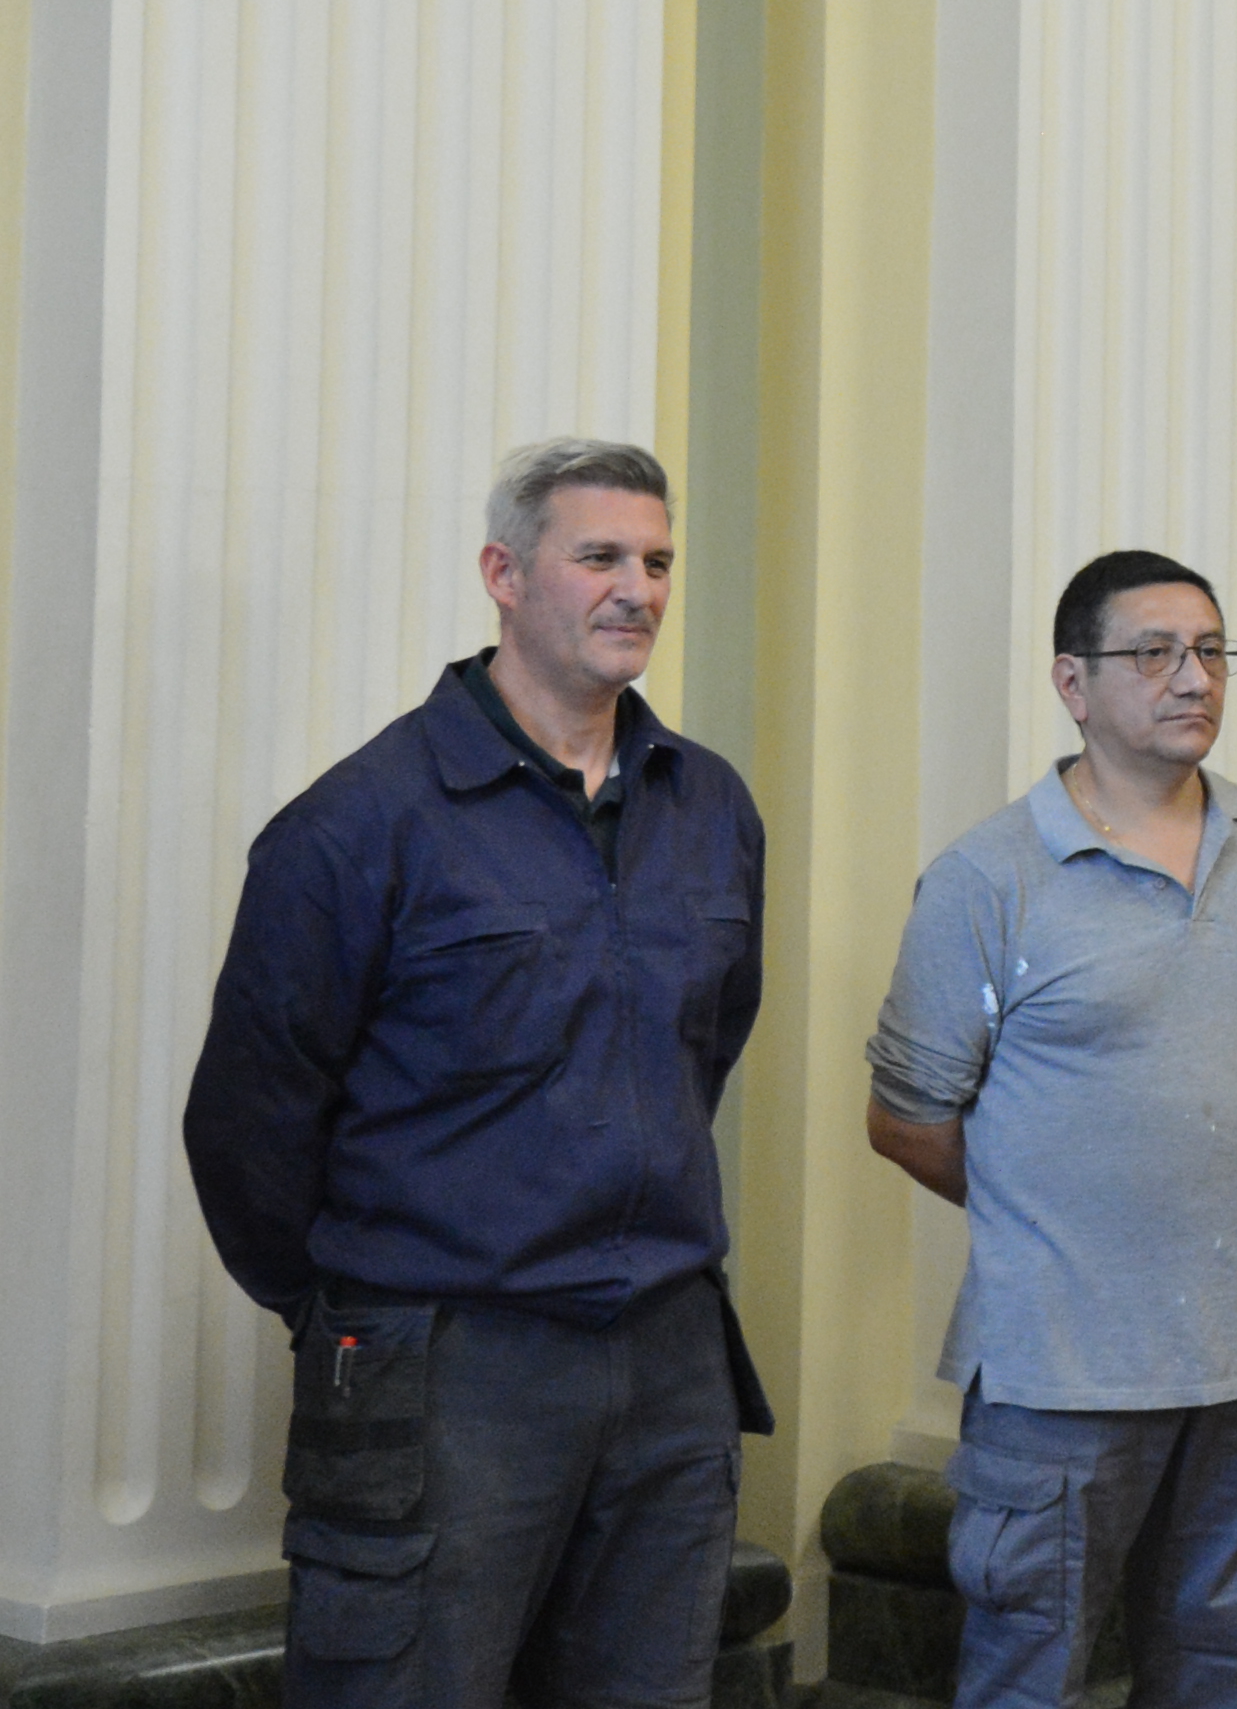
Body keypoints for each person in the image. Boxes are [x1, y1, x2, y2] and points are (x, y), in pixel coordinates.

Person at [184, 438, 770, 1709]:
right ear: (505, 573)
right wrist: (359, 1305)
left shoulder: (709, 804)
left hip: (670, 1354)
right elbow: (248, 1118)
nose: (638, 589)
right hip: (448, 1358)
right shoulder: (361, 821)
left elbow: (701, 1046)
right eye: (599, 556)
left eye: (657, 560)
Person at [864, 551, 1237, 1709]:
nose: (1194, 678)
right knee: (1030, 1679)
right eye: (1153, 652)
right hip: (1059, 1374)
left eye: (1211, 650)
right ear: (1072, 682)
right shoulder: (987, 876)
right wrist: (1055, 1207)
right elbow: (906, 1117)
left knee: (1214, 1668)